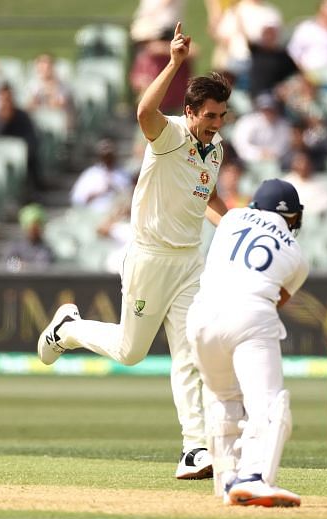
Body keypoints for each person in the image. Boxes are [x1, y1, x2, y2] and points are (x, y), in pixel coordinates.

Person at [37, 22, 231, 480]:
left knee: (190, 355)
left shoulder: (215, 148)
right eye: (210, 116)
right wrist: (175, 63)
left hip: (189, 262)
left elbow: (209, 199)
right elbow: (145, 111)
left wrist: (238, 225)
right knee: (130, 352)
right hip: (149, 257)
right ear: (190, 111)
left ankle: (193, 449)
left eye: (222, 116)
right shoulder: (171, 136)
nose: (216, 124)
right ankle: (69, 328)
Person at [186, 178, 308, 507]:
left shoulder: (232, 219)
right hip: (251, 314)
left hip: (200, 318)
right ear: (293, 217)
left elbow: (210, 201)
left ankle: (227, 480)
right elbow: (275, 300)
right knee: (269, 405)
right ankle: (254, 478)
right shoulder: (297, 254)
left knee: (223, 398)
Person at [70, 139, 133, 212]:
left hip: (118, 214)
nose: (107, 157)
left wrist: (116, 189)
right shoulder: (90, 174)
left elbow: (129, 195)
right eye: (104, 151)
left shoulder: (123, 174)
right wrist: (98, 193)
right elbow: (77, 199)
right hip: (94, 215)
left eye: (110, 153)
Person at [4, 203, 55, 272]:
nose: (33, 231)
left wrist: (24, 266)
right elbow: (9, 264)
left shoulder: (46, 249)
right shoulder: (15, 246)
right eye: (31, 228)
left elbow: (43, 266)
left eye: (36, 228)